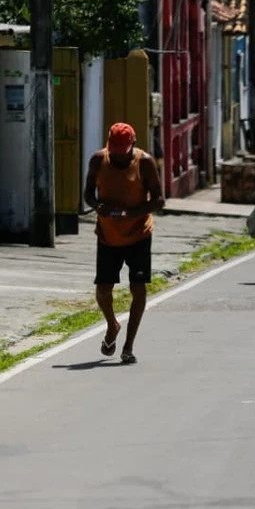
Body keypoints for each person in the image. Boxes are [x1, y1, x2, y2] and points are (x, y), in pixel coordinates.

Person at [83, 123, 165, 365]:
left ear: (133, 145)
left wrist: (133, 212)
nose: (119, 155)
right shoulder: (98, 160)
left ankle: (128, 346)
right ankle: (112, 325)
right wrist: (98, 207)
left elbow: (159, 200)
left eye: (123, 150)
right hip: (108, 235)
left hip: (139, 234)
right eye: (115, 150)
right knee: (103, 290)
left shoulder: (145, 162)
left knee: (138, 289)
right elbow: (88, 194)